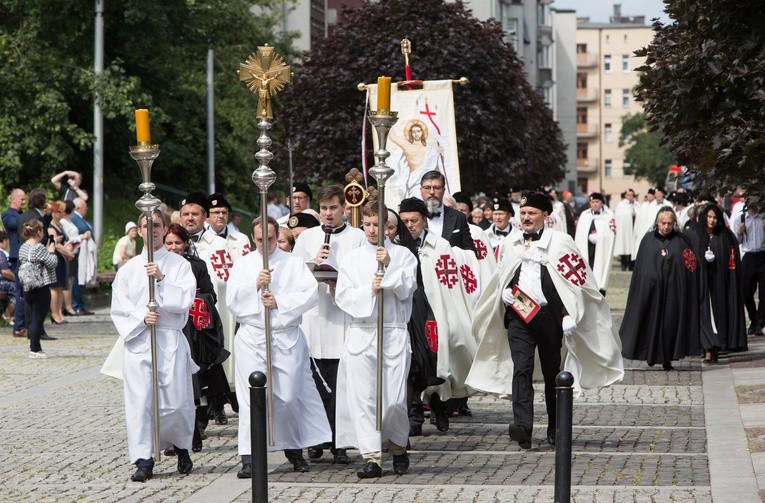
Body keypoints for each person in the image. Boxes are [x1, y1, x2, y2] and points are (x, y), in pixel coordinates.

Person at [467, 191, 623, 448]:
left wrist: (568, 314)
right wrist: (504, 292)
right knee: (522, 368)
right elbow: (500, 275)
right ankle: (523, 427)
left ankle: (555, 427)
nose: (526, 218)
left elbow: (577, 282)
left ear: (545, 216)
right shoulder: (512, 243)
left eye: (532, 214)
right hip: (519, 316)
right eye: (524, 213)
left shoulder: (560, 241)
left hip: (549, 316)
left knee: (553, 375)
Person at [227, 215, 331, 477]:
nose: (266, 244)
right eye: (260, 240)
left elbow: (309, 294)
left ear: (278, 236)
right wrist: (255, 285)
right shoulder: (243, 265)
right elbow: (232, 301)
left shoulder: (293, 263)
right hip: (253, 336)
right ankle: (249, 455)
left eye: (271, 239)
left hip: (285, 336)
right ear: (254, 238)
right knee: (252, 397)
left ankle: (293, 448)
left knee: (288, 396)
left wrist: (280, 302)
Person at [110, 210, 197, 482]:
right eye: (148, 226)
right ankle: (143, 458)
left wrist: (161, 280)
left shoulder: (179, 265)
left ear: (164, 228)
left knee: (176, 400)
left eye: (157, 225)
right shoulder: (127, 270)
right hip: (139, 340)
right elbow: (119, 310)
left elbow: (184, 301)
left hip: (169, 339)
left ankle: (181, 446)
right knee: (140, 402)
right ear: (140, 229)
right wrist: (141, 317)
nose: (153, 230)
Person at [334, 202, 418, 478]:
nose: (372, 230)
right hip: (363, 331)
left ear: (387, 227)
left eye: (376, 225)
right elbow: (343, 297)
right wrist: (368, 290)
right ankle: (371, 456)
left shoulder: (403, 255)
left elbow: (408, 289)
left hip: (392, 331)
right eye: (367, 225)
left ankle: (397, 444)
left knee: (393, 398)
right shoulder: (352, 258)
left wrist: (389, 268)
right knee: (364, 398)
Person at [292, 184, 366, 464]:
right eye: (323, 209)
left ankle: (340, 442)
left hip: (341, 319)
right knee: (314, 385)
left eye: (333, 208)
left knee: (339, 384)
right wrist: (313, 265)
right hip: (314, 319)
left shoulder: (357, 238)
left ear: (344, 209)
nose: (328, 214)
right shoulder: (308, 238)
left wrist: (338, 279)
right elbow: (295, 278)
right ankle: (316, 439)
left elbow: (360, 277)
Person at [399, 197, 479, 433]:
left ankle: (438, 402)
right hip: (406, 311)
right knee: (411, 362)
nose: (410, 225)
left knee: (437, 358)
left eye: (414, 220)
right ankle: (413, 418)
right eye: (405, 221)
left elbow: (449, 285)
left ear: (424, 220)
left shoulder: (440, 246)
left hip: (433, 311)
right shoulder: (397, 246)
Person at [164, 223, 228, 453]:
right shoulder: (156, 266)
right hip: (168, 329)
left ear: (186, 244)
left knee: (196, 381)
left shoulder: (196, 266)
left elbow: (210, 293)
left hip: (194, 330)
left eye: (178, 243)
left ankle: (196, 429)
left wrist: (195, 299)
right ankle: (173, 435)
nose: (173, 248)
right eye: (168, 243)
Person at [620, 207, 701, 370]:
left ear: (674, 223)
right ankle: (650, 354)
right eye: (663, 223)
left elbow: (691, 266)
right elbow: (641, 268)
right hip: (651, 292)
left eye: (669, 223)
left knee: (669, 325)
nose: (666, 227)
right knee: (650, 323)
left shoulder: (682, 240)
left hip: (673, 293)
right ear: (657, 223)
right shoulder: (647, 240)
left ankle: (666, 359)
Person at [180, 192, 234, 428]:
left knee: (210, 360)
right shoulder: (172, 241)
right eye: (186, 214)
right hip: (181, 314)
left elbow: (227, 280)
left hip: (210, 310)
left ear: (205, 217)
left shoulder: (219, 245)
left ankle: (215, 404)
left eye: (195, 214)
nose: (190, 218)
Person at [687, 203, 747, 361]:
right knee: (704, 314)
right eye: (709, 217)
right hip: (702, 282)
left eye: (714, 218)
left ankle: (718, 344)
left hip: (719, 282)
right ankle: (707, 347)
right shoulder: (696, 235)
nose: (712, 221)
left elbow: (731, 260)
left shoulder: (725, 236)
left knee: (719, 313)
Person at [19, 220, 59, 358]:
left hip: (27, 285)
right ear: (38, 232)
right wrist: (52, 252)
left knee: (32, 317)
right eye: (42, 230)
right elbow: (52, 263)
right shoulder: (39, 248)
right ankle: (35, 350)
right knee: (38, 319)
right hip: (40, 285)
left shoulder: (23, 247)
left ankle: (34, 347)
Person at [731, 197, 765, 335]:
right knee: (745, 292)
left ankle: (760, 322)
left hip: (763, 255)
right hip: (749, 256)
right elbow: (736, 241)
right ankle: (754, 319)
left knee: (764, 293)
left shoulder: (762, 217)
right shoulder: (741, 218)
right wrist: (739, 232)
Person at [419, 171, 475, 252]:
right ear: (421, 190)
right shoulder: (413, 218)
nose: (432, 192)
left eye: (437, 187)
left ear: (443, 190)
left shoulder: (459, 217)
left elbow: (470, 251)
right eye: (427, 188)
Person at [389, 120, 445, 200]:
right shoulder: (407, 146)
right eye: (413, 132)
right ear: (410, 134)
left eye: (418, 131)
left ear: (422, 132)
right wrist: (386, 120)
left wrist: (441, 157)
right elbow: (393, 137)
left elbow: (438, 169)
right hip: (413, 184)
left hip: (428, 184)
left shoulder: (431, 151)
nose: (416, 134)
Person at [574, 193, 616, 295]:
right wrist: (586, 237)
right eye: (592, 202)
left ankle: (600, 292)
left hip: (601, 249)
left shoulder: (609, 215)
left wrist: (600, 238)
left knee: (600, 270)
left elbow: (612, 233)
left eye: (597, 202)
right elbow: (579, 233)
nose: (595, 204)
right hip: (586, 248)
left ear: (602, 203)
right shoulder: (584, 215)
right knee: (587, 268)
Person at [1, 188, 27, 337]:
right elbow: (13, 225)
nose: (24, 202)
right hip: (17, 256)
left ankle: (24, 322)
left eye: (25, 199)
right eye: (22, 199)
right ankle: (18, 325)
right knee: (20, 292)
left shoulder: (22, 215)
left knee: (26, 292)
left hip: (27, 254)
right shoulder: (8, 214)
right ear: (14, 199)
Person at [47, 201, 75, 324]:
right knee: (54, 287)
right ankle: (54, 313)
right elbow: (56, 244)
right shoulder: (50, 227)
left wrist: (68, 250)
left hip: (62, 258)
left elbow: (62, 242)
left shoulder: (60, 226)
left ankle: (59, 312)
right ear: (53, 213)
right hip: (55, 258)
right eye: (59, 212)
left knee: (60, 287)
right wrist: (68, 253)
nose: (61, 214)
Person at [69, 197, 96, 315]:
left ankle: (81, 304)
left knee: (83, 279)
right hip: (78, 254)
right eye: (85, 206)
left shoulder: (82, 219)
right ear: (78, 208)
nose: (86, 209)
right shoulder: (74, 218)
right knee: (77, 279)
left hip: (85, 254)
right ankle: (76, 304)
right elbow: (73, 233)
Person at [613, 189, 638, 271]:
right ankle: (624, 264)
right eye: (628, 195)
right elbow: (619, 215)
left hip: (634, 228)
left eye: (632, 195)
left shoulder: (637, 204)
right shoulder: (621, 205)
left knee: (633, 247)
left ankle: (632, 265)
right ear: (625, 196)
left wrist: (636, 214)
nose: (630, 197)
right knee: (624, 245)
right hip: (624, 229)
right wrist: (629, 214)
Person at [0, 230, 19, 324]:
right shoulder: (1, 253)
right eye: (6, 242)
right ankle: (8, 314)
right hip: (2, 281)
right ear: (2, 242)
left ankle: (13, 315)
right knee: (18, 289)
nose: (7, 244)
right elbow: (5, 272)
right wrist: (17, 280)